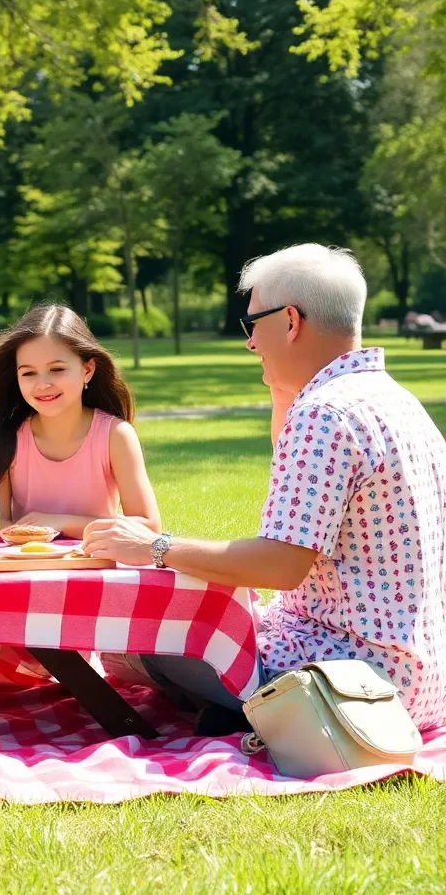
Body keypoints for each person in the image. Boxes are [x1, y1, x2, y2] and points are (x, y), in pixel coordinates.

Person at [84, 244, 446, 732]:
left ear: (291, 321)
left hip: (345, 688)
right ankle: (233, 710)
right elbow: (296, 471)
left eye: (253, 325)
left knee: (134, 641)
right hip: (421, 682)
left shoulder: (324, 416)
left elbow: (278, 566)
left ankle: (243, 711)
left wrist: (156, 546)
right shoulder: (395, 402)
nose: (251, 343)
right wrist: (283, 381)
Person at [0, 303, 161, 538]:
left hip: (97, 567)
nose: (42, 384)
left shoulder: (115, 436)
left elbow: (148, 526)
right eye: (28, 373)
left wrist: (60, 522)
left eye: (56, 369)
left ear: (87, 370)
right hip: (26, 566)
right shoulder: (8, 436)